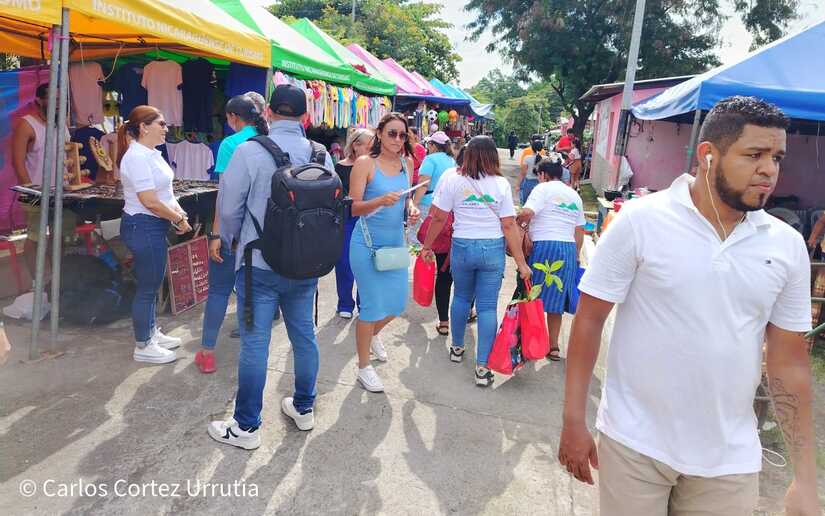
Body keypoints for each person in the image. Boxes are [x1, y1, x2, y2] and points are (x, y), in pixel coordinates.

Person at [559, 97, 820, 516]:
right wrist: (574, 419)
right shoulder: (641, 221)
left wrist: (805, 480)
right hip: (635, 443)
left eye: (777, 157)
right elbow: (589, 320)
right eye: (754, 154)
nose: (769, 170)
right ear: (708, 155)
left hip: (729, 461)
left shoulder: (785, 246)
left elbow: (788, 363)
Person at [207, 85, 335, 448]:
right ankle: (304, 408)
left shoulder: (249, 151)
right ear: (304, 115)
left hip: (257, 263)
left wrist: (228, 239)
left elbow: (229, 207)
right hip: (305, 263)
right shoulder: (320, 153)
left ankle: (246, 427)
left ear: (269, 114)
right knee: (304, 337)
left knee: (255, 343)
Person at [421, 136, 531, 387]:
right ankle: (482, 368)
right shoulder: (501, 184)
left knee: (460, 297)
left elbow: (438, 217)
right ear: (493, 156)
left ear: (467, 154)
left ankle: (457, 348)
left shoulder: (452, 179)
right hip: (491, 249)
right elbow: (508, 225)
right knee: (487, 307)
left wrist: (427, 246)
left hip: (461, 246)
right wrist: (521, 263)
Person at [196, 94, 269, 374]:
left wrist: (217, 234)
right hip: (263, 237)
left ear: (233, 118)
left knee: (218, 291)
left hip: (235, 235)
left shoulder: (231, 144)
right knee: (256, 293)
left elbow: (225, 197)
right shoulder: (269, 141)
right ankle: (252, 358)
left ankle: (208, 352)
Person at [349, 113, 420, 393]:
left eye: (403, 135)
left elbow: (407, 202)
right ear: (379, 133)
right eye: (392, 133)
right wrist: (379, 201)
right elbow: (353, 207)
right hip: (365, 244)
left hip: (394, 244)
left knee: (397, 304)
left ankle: (374, 334)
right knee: (370, 306)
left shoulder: (407, 163)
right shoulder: (366, 163)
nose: (398, 140)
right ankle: (363, 367)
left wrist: (411, 209)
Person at [117, 105, 191, 364]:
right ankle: (143, 344)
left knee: (152, 283)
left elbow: (165, 194)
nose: (166, 128)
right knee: (148, 287)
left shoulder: (151, 153)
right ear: (143, 127)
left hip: (153, 225)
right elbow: (148, 200)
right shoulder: (136, 156)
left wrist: (178, 213)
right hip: (143, 225)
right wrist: (177, 218)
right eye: (161, 124)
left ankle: (150, 332)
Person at [516, 156, 585, 361]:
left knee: (532, 295)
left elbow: (528, 212)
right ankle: (553, 347)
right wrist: (576, 258)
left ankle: (530, 342)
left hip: (544, 246)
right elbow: (579, 231)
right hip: (567, 249)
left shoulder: (542, 189)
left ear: (543, 175)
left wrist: (518, 223)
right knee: (557, 299)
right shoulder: (574, 195)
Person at [11, 82, 75, 283]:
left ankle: (57, 282)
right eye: (54, 99)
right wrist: (31, 192)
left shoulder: (61, 124)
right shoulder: (27, 124)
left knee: (61, 238)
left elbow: (68, 156)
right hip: (35, 192)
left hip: (63, 192)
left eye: (61, 99)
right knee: (35, 239)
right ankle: (39, 283)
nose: (58, 104)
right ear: (39, 100)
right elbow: (17, 161)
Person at [334, 128, 374, 319]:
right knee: (343, 262)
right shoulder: (340, 167)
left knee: (366, 263)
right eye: (369, 144)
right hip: (346, 219)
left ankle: (363, 302)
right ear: (356, 145)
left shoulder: (374, 166)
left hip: (368, 219)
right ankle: (344, 303)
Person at [411, 131, 456, 244]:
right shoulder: (451, 160)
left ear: (433, 145)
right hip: (444, 203)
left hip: (427, 202)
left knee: (417, 236)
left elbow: (423, 184)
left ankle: (420, 260)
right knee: (434, 237)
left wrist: (414, 204)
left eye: (429, 145)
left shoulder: (430, 159)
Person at [517, 139, 545, 205]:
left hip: (528, 183)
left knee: (525, 203)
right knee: (537, 203)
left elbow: (523, 173)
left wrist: (518, 185)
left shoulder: (527, 158)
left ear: (532, 148)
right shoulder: (546, 159)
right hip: (541, 183)